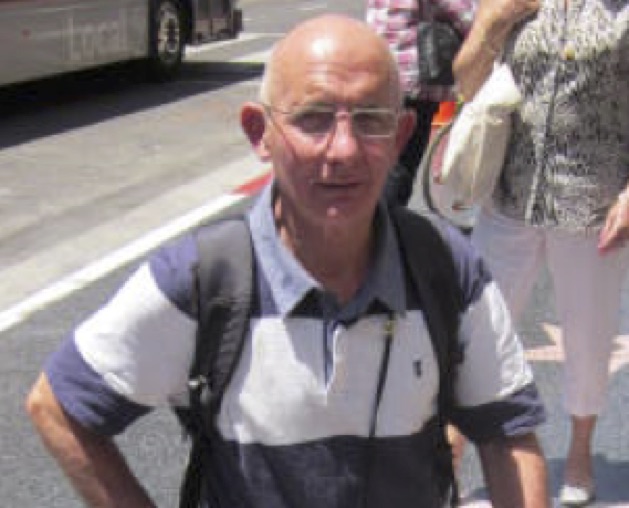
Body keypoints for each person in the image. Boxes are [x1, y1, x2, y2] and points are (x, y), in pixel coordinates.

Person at [26, 14, 550, 508]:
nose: (342, 150)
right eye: (313, 119)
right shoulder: (202, 278)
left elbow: (507, 434)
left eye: (370, 120)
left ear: (400, 137)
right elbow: (59, 406)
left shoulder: (444, 267)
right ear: (260, 133)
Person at [453, 0, 629, 505]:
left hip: (591, 200)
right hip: (507, 196)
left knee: (588, 336)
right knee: (473, 330)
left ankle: (579, 454)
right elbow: (465, 81)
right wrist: (496, 19)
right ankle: (449, 455)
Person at [365, 0, 474, 207]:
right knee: (401, 165)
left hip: (378, 70)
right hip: (412, 77)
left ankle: (374, 215)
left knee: (381, 159)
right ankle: (386, 219)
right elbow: (460, 11)